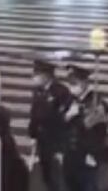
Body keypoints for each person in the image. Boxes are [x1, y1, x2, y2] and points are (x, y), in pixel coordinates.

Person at [28, 59, 71, 191]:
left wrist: (61, 148)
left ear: (47, 75)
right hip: (42, 142)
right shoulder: (38, 91)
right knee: (46, 175)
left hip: (55, 142)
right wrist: (33, 133)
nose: (34, 76)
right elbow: (35, 114)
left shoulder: (61, 92)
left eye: (37, 74)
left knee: (56, 178)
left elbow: (63, 119)